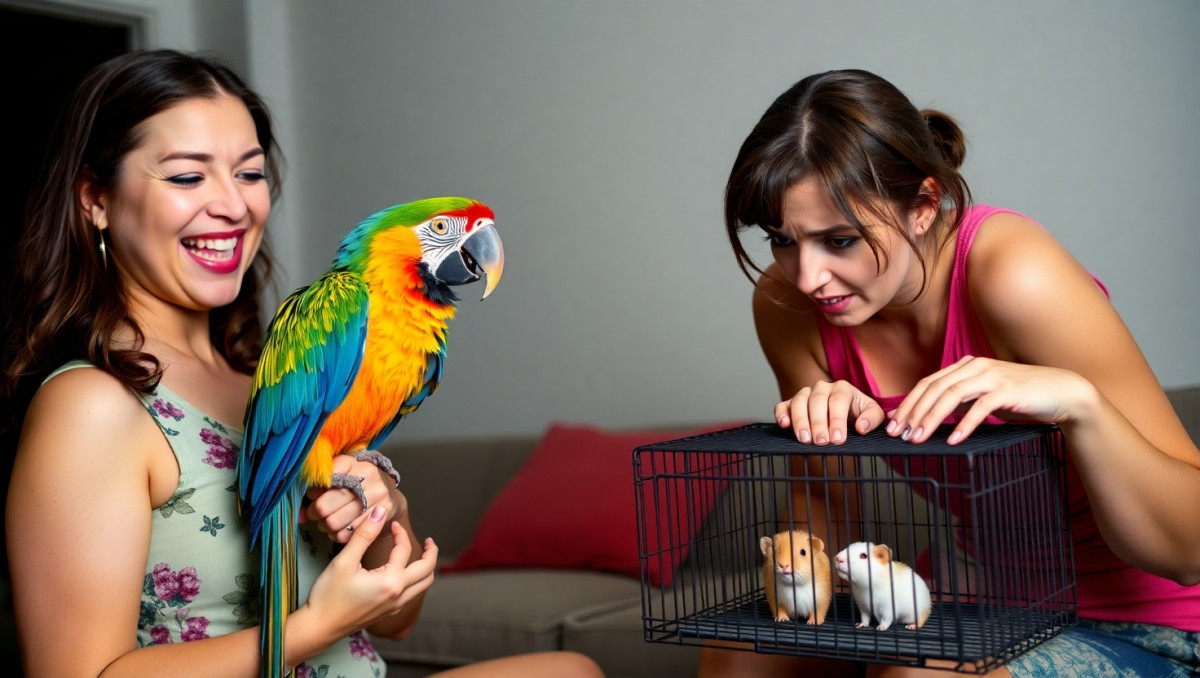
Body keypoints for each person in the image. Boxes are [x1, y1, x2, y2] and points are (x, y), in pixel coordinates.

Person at [1, 49, 601, 678]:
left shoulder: (269, 369)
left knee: (571, 671)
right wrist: (314, 627)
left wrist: (385, 513)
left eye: (249, 173)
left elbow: (395, 622)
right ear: (95, 199)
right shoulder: (92, 405)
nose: (234, 205)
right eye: (187, 176)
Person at [701, 68, 1200, 677]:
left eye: (840, 241)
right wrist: (823, 434)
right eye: (781, 239)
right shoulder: (788, 306)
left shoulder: (1015, 273)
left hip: (1149, 618)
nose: (807, 278)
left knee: (916, 674)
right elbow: (823, 511)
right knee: (741, 658)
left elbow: (1189, 551)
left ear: (922, 205)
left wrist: (1079, 403)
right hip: (967, 599)